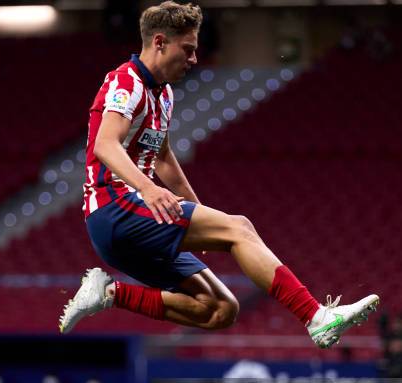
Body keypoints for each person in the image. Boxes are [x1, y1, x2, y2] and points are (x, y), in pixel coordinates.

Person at [59, 1, 378, 348]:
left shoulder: (164, 94)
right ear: (160, 42)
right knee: (239, 228)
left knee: (219, 310)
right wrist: (149, 190)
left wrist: (200, 211)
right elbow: (105, 145)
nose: (194, 59)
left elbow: (163, 158)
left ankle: (107, 293)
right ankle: (316, 317)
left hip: (132, 219)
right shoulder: (127, 81)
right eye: (189, 49)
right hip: (114, 208)